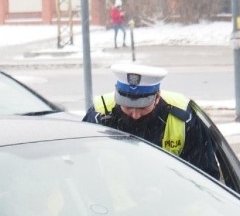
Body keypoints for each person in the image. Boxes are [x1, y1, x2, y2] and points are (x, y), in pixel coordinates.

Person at [83, 63, 220, 180]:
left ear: (157, 97)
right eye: (128, 106)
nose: (135, 115)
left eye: (143, 107)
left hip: (172, 204)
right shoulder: (98, 113)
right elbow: (83, 167)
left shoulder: (183, 115)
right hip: (113, 207)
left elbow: (205, 174)